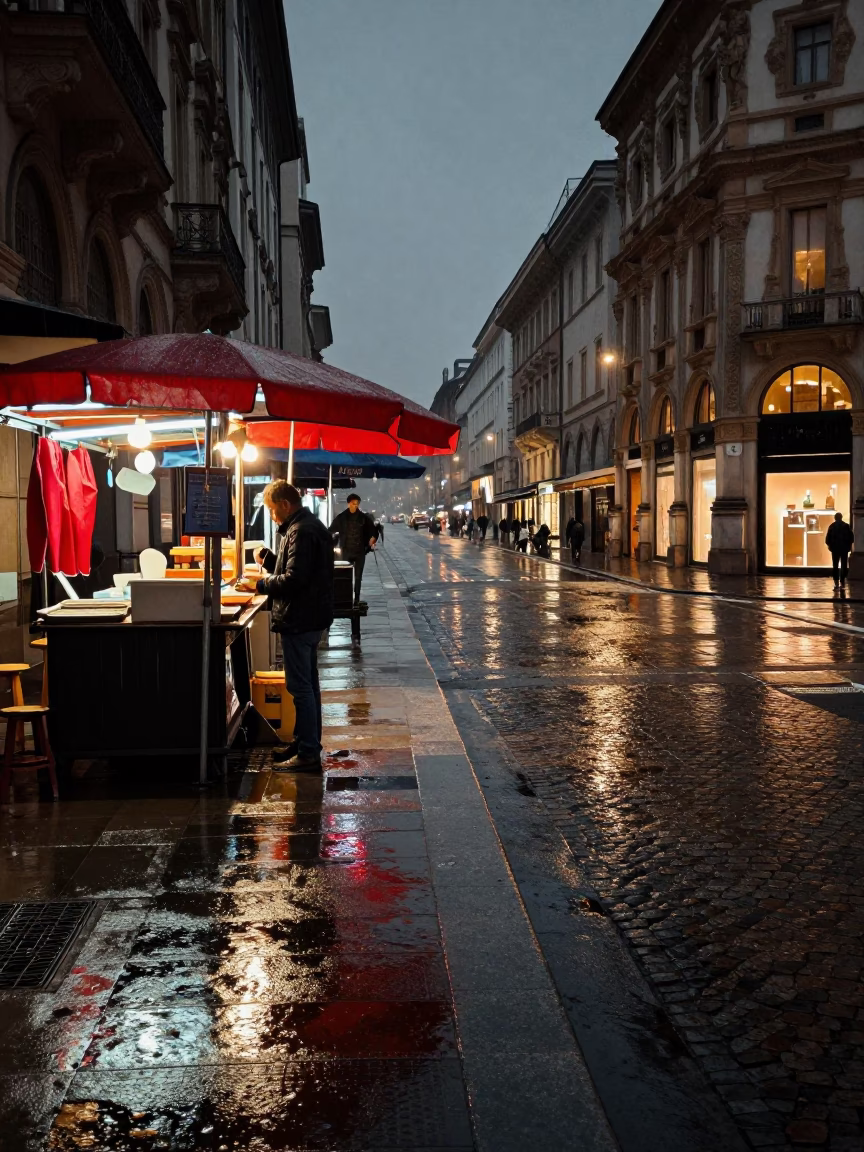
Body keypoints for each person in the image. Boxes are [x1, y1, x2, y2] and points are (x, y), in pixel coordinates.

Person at [244, 480, 334, 772]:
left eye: (271, 509)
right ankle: (305, 742)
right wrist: (270, 560)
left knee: (301, 688)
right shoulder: (303, 527)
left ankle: (308, 751)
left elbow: (295, 580)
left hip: (300, 618)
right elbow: (295, 569)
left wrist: (259, 584)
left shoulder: (301, 531)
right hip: (309, 617)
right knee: (309, 686)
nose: (271, 515)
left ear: (285, 505)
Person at [329, 493, 377, 606]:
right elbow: (330, 530)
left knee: (358, 576)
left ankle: (356, 599)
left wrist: (372, 539)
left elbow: (373, 531)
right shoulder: (341, 518)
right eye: (354, 504)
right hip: (346, 551)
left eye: (357, 504)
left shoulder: (364, 518)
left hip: (360, 551)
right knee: (346, 576)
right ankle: (347, 598)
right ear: (349, 503)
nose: (356, 506)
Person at [825, 511, 854, 591]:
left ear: (835, 518)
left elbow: (827, 539)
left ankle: (836, 583)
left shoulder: (832, 526)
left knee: (835, 565)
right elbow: (851, 538)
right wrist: (848, 546)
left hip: (835, 549)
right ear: (841, 518)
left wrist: (830, 546)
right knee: (844, 565)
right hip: (844, 549)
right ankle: (842, 582)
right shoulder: (846, 526)